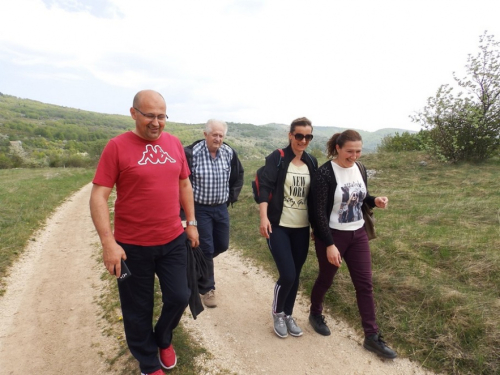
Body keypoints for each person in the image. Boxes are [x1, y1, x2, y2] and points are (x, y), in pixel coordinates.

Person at [89, 90, 199, 375]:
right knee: (137, 308)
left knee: (180, 296)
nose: (156, 122)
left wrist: (191, 223)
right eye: (149, 115)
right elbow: (99, 196)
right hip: (131, 246)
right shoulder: (117, 146)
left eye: (161, 116)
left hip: (172, 239)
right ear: (133, 113)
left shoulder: (174, 144)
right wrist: (108, 243)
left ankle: (163, 338)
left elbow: (184, 185)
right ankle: (148, 363)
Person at [308, 129, 397, 359]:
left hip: (358, 234)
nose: (354, 156)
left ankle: (371, 337)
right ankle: (315, 313)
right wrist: (328, 244)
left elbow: (360, 197)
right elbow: (317, 213)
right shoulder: (325, 173)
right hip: (332, 236)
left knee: (365, 285)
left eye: (358, 151)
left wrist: (374, 200)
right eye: (350, 151)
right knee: (326, 278)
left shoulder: (360, 168)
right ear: (338, 148)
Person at [257, 117, 317, 338]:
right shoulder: (279, 158)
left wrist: (316, 226)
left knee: (296, 273)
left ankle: (289, 314)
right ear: (290, 135)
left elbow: (315, 197)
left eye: (307, 136)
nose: (303, 140)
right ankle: (277, 313)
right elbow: (265, 188)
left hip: (301, 227)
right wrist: (264, 217)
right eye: (299, 135)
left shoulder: (311, 161)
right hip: (279, 226)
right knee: (288, 274)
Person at [183, 119, 244, 308]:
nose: (217, 138)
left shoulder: (228, 153)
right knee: (207, 248)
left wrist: (231, 197)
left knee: (223, 245)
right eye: (214, 134)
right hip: (200, 209)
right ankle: (207, 289)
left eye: (221, 135)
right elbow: (182, 182)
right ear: (205, 134)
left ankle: (196, 264)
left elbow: (238, 175)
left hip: (221, 208)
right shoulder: (192, 153)